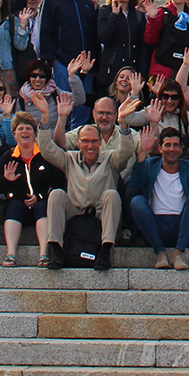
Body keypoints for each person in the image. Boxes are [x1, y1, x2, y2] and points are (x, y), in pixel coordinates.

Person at [36, 115, 140, 271]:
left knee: (111, 195)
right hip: (75, 214)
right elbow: (47, 150)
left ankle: (105, 252)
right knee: (57, 194)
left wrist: (123, 123)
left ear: (100, 142)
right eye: (85, 141)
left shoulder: (111, 159)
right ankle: (56, 250)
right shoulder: (69, 159)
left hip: (101, 215)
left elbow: (126, 152)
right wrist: (44, 117)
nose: (90, 146)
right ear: (78, 142)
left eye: (93, 141)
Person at [127, 126, 189, 270]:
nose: (172, 149)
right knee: (137, 201)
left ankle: (178, 253)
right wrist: (143, 151)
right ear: (160, 148)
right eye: (167, 145)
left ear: (181, 149)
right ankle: (160, 253)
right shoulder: (150, 165)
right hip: (156, 227)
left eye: (175, 145)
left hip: (182, 227)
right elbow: (135, 182)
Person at [0, 112, 62, 267]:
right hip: (18, 204)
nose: (25, 132)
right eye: (20, 129)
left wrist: (39, 196)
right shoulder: (7, 158)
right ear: (14, 134)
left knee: (43, 207)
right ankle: (11, 254)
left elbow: (59, 180)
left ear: (35, 132)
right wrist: (7, 181)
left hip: (41, 203)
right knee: (14, 207)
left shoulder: (45, 155)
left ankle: (44, 254)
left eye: (28, 129)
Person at [37, 0, 101, 111]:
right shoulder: (51, 1)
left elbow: (93, 35)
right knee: (65, 109)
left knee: (83, 108)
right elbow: (44, 33)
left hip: (85, 67)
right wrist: (53, 62)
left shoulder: (86, 3)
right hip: (62, 65)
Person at [142, 0, 189, 82]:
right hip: (162, 71)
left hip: (184, 71)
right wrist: (152, 19)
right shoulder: (161, 13)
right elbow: (150, 40)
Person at [97, 0, 146, 88]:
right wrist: (114, 16)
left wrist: (142, 73)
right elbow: (104, 37)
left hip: (132, 74)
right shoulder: (105, 12)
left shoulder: (138, 16)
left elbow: (143, 46)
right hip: (111, 73)